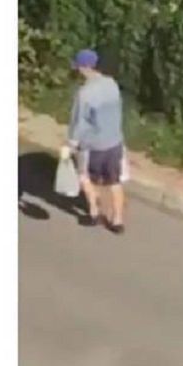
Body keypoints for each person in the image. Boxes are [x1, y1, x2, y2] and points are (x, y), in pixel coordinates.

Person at [66, 49, 126, 233]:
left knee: (84, 176)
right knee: (115, 182)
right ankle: (117, 221)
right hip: (115, 142)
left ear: (83, 68)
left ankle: (94, 212)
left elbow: (79, 122)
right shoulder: (112, 84)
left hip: (93, 146)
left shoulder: (84, 93)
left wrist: (71, 145)